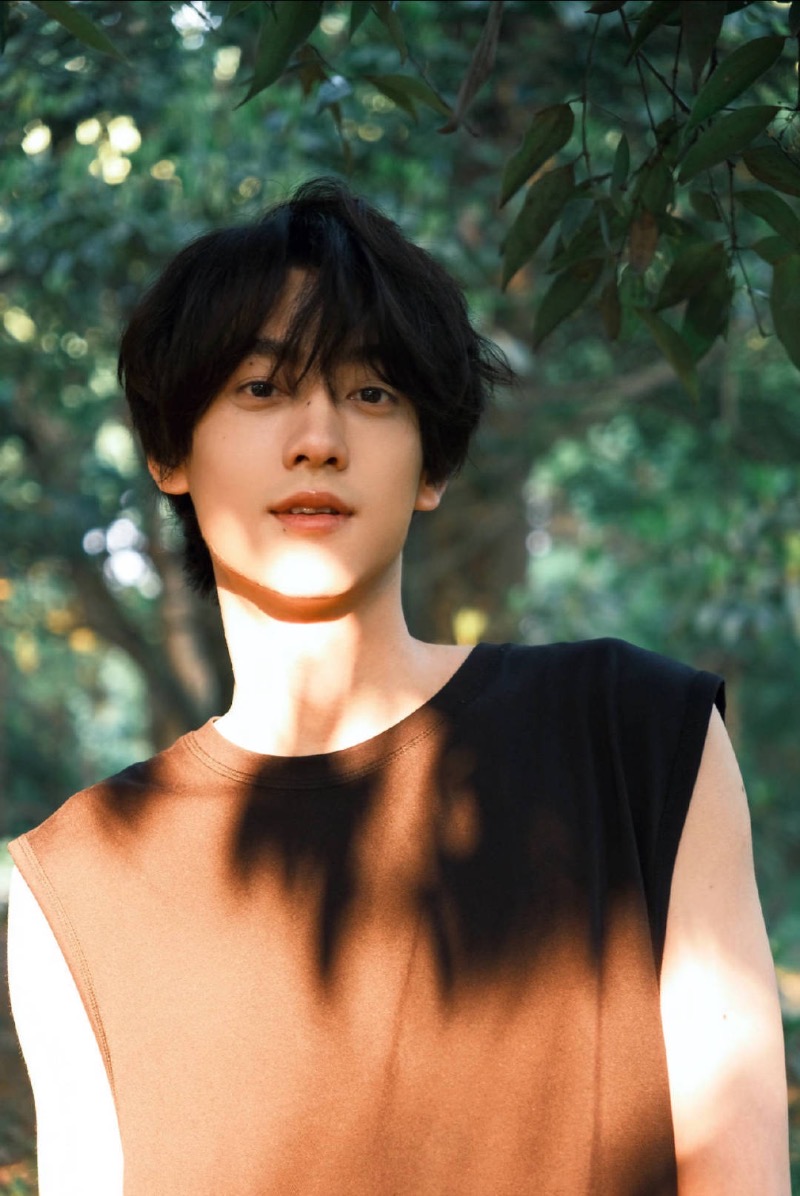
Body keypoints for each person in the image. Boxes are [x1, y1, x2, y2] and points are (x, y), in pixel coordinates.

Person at [6, 178, 790, 1196]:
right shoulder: (78, 880)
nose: (318, 437)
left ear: (431, 465)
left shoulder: (635, 733)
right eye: (261, 387)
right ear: (169, 451)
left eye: (372, 392)